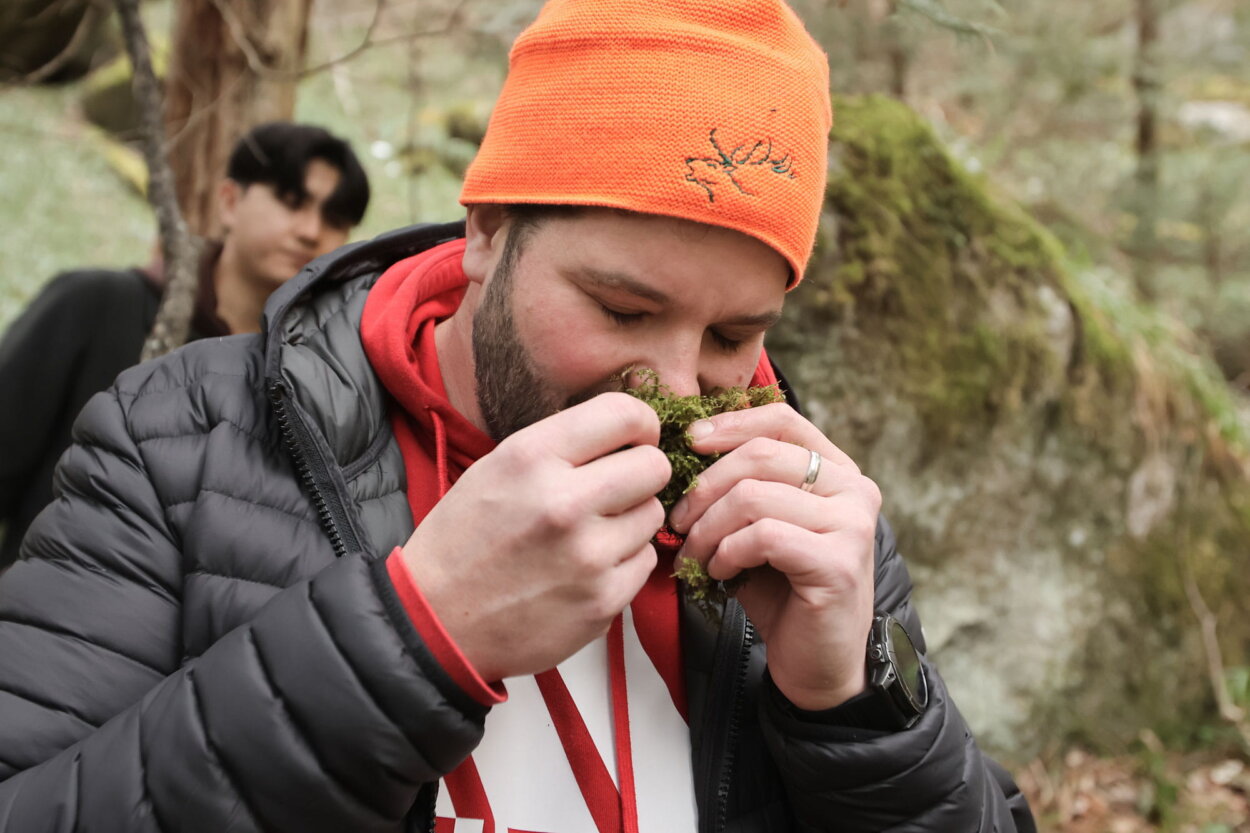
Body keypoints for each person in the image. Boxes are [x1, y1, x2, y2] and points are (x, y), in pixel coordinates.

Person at [0, 2, 1036, 831]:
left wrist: (855, 705)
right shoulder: (180, 434)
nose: (671, 383)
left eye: (733, 334)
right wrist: (413, 633)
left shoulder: (796, 502)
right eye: (622, 308)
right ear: (489, 229)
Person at [0, 121, 370, 568]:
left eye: (335, 219)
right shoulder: (97, 304)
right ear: (230, 202)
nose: (311, 231)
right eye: (292, 202)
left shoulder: (323, 378)